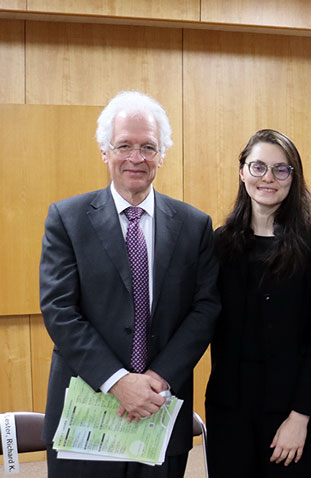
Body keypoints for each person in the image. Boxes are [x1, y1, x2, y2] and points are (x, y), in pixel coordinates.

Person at [39, 91, 221, 477]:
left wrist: (156, 379)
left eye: (148, 147)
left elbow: (205, 309)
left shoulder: (194, 225)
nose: (136, 158)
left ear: (162, 154)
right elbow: (59, 310)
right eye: (124, 145)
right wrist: (119, 381)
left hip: (160, 405)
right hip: (87, 406)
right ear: (105, 151)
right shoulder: (67, 219)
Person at [205, 129, 311, 477]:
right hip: (228, 409)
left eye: (281, 169)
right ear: (242, 172)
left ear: (294, 178)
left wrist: (301, 417)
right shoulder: (219, 243)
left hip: (291, 410)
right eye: (258, 166)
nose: (268, 178)